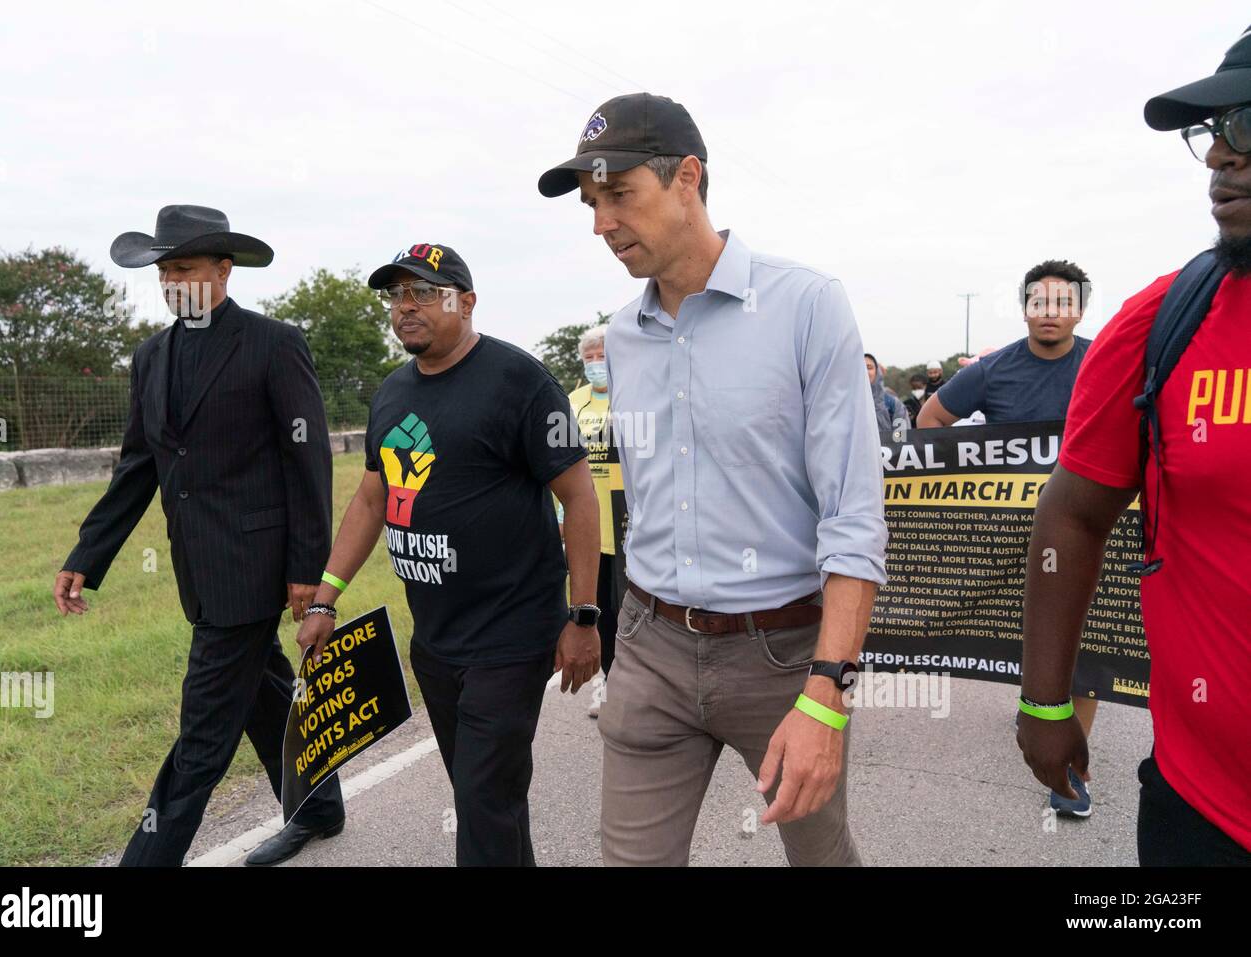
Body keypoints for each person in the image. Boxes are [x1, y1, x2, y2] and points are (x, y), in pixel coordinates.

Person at [539, 93, 887, 866]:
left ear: (687, 178)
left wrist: (826, 689)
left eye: (619, 194)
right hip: (652, 644)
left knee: (822, 856)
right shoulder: (622, 337)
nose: (601, 223)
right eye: (592, 204)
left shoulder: (806, 305)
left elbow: (854, 518)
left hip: (783, 652)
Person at [1018, 29, 1251, 864]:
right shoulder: (1160, 323)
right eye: (1215, 129)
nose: (1221, 154)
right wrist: (1046, 703)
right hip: (1204, 812)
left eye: (1247, 121)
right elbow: (1073, 513)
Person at [52, 204, 345, 866]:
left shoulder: (274, 343)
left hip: (255, 566)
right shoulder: (150, 358)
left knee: (201, 736)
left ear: (223, 269)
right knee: (264, 696)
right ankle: (319, 806)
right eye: (163, 270)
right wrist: (87, 555)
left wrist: (309, 569)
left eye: (183, 267)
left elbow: (309, 461)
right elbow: (138, 468)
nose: (171, 280)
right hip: (197, 567)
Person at [293, 242, 601, 866]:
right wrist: (326, 597)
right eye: (397, 296)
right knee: (484, 794)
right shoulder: (392, 393)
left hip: (511, 634)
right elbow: (372, 501)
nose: (406, 308)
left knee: (483, 798)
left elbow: (580, 497)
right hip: (434, 639)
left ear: (465, 302)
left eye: (424, 294)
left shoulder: (521, 381)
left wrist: (585, 615)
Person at [917, 259, 1099, 815]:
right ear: (1025, 308)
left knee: (1087, 644)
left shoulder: (1105, 361)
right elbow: (930, 423)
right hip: (1014, 536)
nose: (1052, 313)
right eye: (1040, 302)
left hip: (1090, 529)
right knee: (1034, 639)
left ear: (1080, 309)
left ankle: (1071, 768)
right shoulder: (993, 370)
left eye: (1063, 302)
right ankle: (1039, 708)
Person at [555, 324, 622, 719]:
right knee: (596, 612)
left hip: (628, 526)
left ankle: (637, 685)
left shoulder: (631, 398)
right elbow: (558, 469)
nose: (596, 364)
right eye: (590, 358)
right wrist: (562, 519)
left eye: (603, 356)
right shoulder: (572, 403)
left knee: (631, 610)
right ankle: (604, 684)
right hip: (587, 530)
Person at [864, 352, 909, 436]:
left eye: (869, 367)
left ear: (877, 372)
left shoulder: (893, 403)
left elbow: (902, 437)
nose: (865, 371)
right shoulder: (846, 404)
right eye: (861, 367)